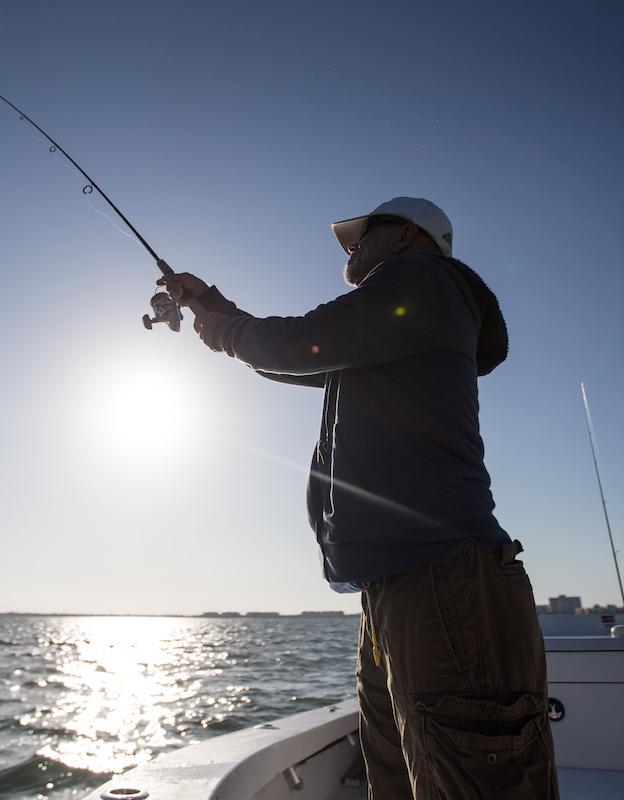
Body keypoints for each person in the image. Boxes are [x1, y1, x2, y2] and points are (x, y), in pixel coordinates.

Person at [158, 197, 558, 800]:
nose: (350, 249)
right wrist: (212, 308)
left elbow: (298, 343)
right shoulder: (401, 324)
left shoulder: (421, 279)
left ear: (404, 236)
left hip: (441, 578)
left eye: (362, 235)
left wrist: (218, 325)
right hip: (403, 584)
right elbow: (295, 358)